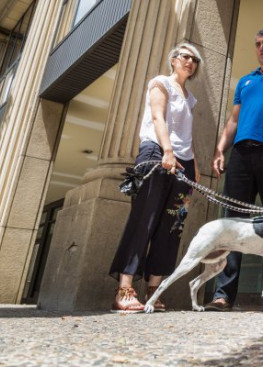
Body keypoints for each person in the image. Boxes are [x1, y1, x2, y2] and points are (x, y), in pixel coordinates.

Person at [206, 28, 263, 312]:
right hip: (241, 156)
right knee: (233, 225)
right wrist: (221, 148)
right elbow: (234, 121)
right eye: (258, 43)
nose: (261, 48)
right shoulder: (245, 81)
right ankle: (223, 295)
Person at [108, 43, 202, 313]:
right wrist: (168, 151)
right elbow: (158, 117)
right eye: (185, 56)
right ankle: (124, 288)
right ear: (173, 60)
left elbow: (186, 133)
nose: (190, 62)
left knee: (172, 226)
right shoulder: (160, 82)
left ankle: (154, 289)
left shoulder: (190, 97)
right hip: (157, 152)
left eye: (194, 59)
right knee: (144, 220)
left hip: (182, 161)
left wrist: (192, 163)